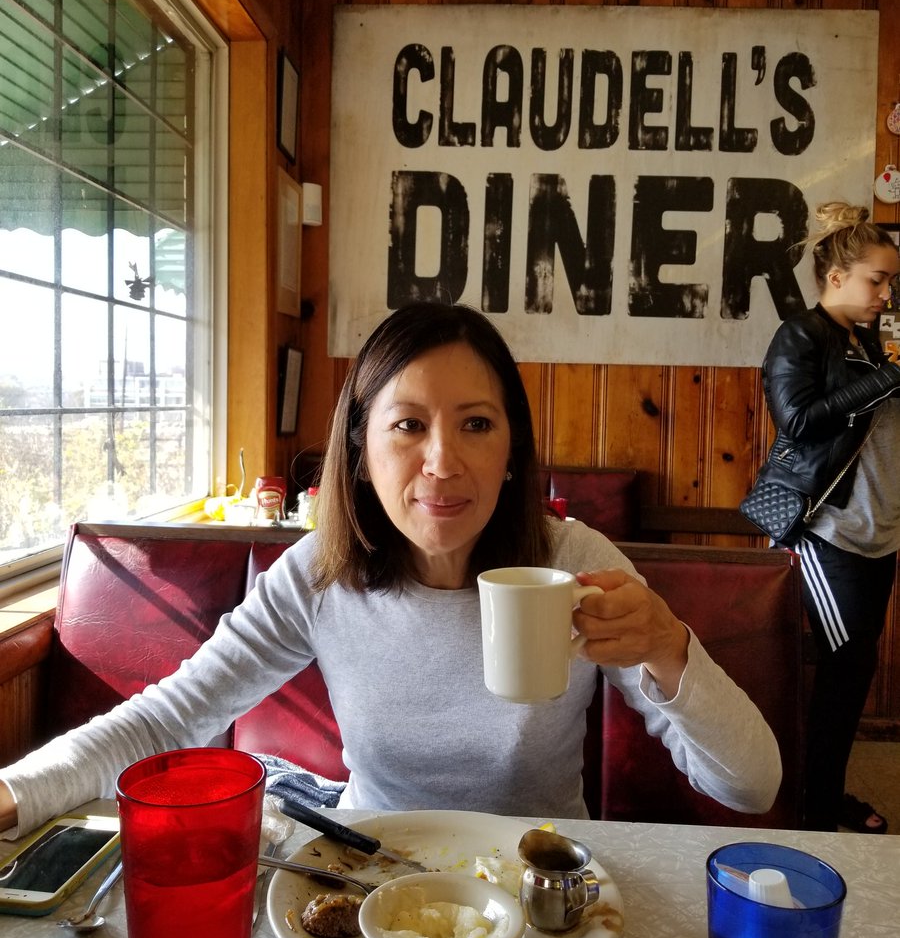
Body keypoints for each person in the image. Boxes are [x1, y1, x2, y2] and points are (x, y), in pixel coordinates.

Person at [0, 303, 781, 838]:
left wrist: (668, 646)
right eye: (407, 425)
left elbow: (751, 786)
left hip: (540, 886)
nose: (443, 462)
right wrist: (15, 792)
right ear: (362, 456)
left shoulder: (573, 562)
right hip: (366, 877)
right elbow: (169, 719)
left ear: (511, 454)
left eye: (477, 424)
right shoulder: (318, 573)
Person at [757, 202, 900, 833]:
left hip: (879, 530)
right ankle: (814, 811)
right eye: (877, 279)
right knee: (842, 671)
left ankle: (825, 795)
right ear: (836, 277)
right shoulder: (801, 335)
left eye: (892, 282)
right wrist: (886, 378)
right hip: (823, 530)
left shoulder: (865, 342)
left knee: (853, 671)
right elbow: (799, 420)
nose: (886, 292)